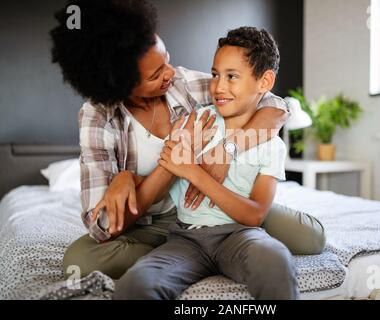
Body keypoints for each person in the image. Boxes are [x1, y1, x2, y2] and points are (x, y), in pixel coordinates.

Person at [50, 0, 325, 280]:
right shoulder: (98, 118)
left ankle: (196, 252)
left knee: (310, 238)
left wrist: (228, 149)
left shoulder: (183, 84)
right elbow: (104, 226)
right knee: (79, 261)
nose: (170, 73)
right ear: (120, 84)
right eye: (156, 74)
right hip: (149, 226)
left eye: (166, 60)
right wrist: (162, 164)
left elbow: (274, 106)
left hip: (213, 205)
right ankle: (198, 255)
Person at [114, 27, 299, 300]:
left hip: (239, 236)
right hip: (186, 239)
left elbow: (255, 215)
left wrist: (195, 173)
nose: (218, 87)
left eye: (232, 77)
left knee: (276, 259)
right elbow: (163, 181)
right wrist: (126, 177)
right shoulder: (195, 122)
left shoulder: (270, 143)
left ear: (264, 81)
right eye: (215, 75)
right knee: (136, 283)